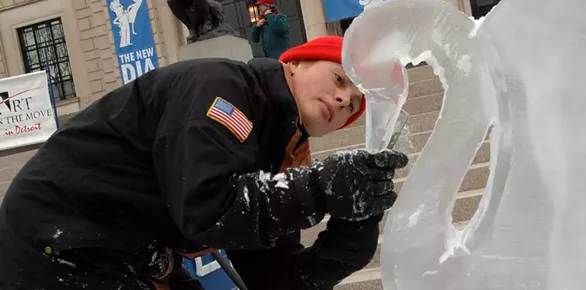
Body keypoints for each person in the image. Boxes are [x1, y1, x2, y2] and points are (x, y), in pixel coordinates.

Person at [0, 35, 408, 290]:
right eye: (340, 79)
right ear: (295, 62)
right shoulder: (222, 86)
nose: (342, 100)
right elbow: (208, 206)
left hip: (130, 250)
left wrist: (352, 236)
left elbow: (272, 277)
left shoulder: (281, 151)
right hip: (59, 239)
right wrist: (322, 188)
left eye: (353, 104)